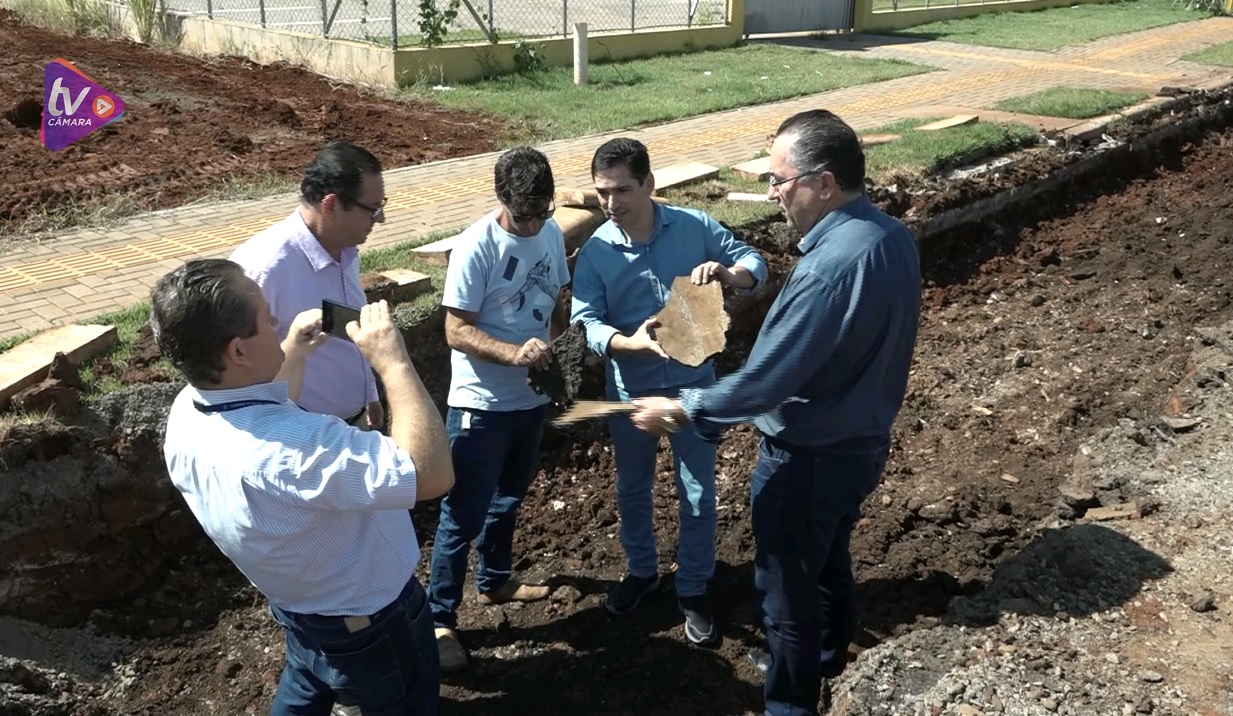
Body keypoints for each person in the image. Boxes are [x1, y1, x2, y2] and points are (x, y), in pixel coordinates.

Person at [627, 110, 922, 716]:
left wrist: (685, 405)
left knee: (785, 593)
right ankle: (828, 659)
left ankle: (792, 700)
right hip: (861, 447)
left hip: (806, 462)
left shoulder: (826, 271)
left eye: (779, 181)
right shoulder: (891, 238)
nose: (772, 194)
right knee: (829, 559)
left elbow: (765, 382)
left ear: (824, 183)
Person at [153, 258, 454, 716]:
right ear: (236, 352)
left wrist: (291, 350)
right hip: (372, 625)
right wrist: (393, 363)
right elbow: (431, 473)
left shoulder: (188, 412)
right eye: (264, 317)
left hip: (302, 612)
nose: (276, 320)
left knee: (307, 687)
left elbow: (263, 413)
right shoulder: (298, 451)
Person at [570, 137, 769, 647]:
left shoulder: (693, 227)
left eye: (622, 190)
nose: (611, 203)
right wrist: (623, 341)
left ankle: (695, 586)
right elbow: (584, 319)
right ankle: (642, 572)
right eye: (601, 193)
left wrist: (728, 272)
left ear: (649, 184)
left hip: (691, 386)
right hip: (630, 391)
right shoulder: (595, 252)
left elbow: (754, 262)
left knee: (698, 492)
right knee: (632, 489)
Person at [428, 146, 572, 673]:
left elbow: (558, 299)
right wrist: (515, 354)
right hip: (481, 405)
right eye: (524, 214)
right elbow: (454, 329)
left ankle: (495, 581)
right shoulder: (475, 247)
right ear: (502, 200)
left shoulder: (551, 233)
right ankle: (440, 618)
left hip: (529, 399)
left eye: (542, 211)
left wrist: (562, 360)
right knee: (462, 512)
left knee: (509, 495)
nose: (533, 224)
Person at [229, 140, 388, 429]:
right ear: (331, 205)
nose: (382, 219)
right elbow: (239, 366)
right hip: (303, 439)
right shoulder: (266, 269)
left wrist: (369, 391)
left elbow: (346, 332)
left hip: (353, 423)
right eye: (373, 209)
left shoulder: (345, 250)